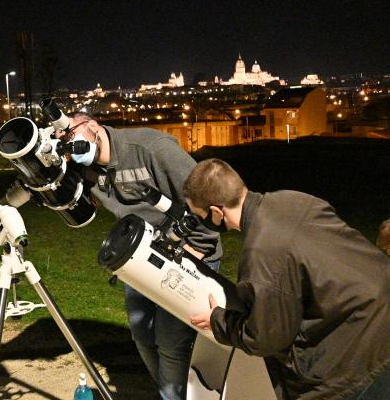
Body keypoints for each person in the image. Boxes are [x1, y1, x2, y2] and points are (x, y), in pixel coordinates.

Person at [183, 158, 390, 400]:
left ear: (217, 212)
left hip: (358, 354)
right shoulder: (293, 199)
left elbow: (266, 337)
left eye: (201, 215)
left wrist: (218, 320)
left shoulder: (261, 252)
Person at [57, 113, 222, 400]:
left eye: (71, 136)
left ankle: (177, 395)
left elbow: (205, 196)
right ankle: (173, 392)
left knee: (171, 343)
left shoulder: (151, 148)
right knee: (143, 338)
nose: (69, 145)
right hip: (141, 255)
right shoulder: (87, 170)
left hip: (189, 252)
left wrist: (198, 249)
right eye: (63, 142)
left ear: (93, 127)